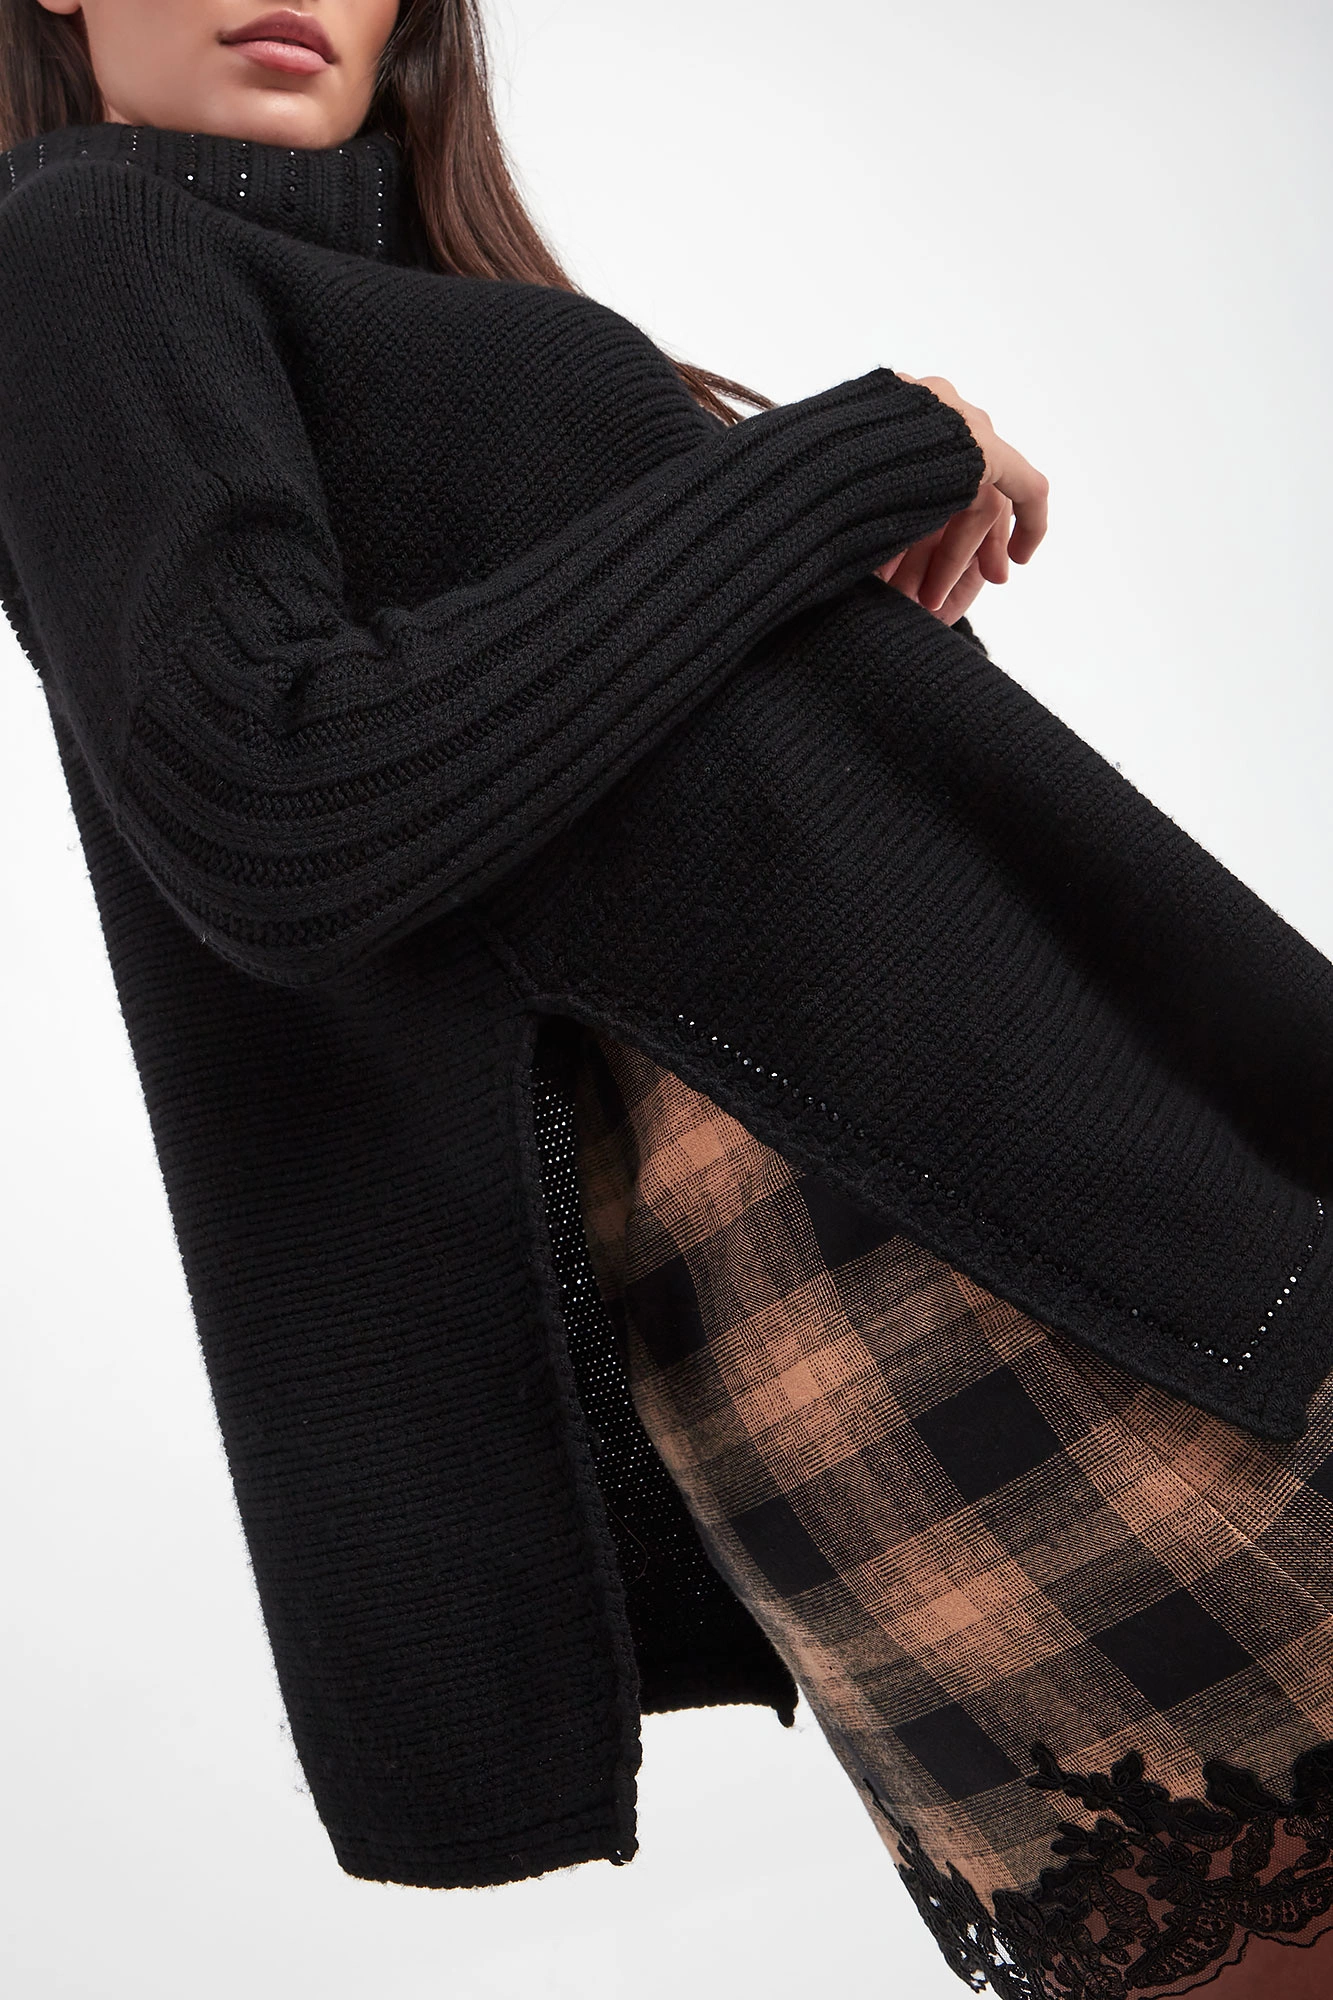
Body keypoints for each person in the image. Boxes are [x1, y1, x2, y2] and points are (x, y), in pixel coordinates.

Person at [1, 3, 1330, 1994]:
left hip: (1051, 1179)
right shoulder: (79, 246)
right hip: (929, 1282)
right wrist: (848, 457)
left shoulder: (382, 287)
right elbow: (279, 797)